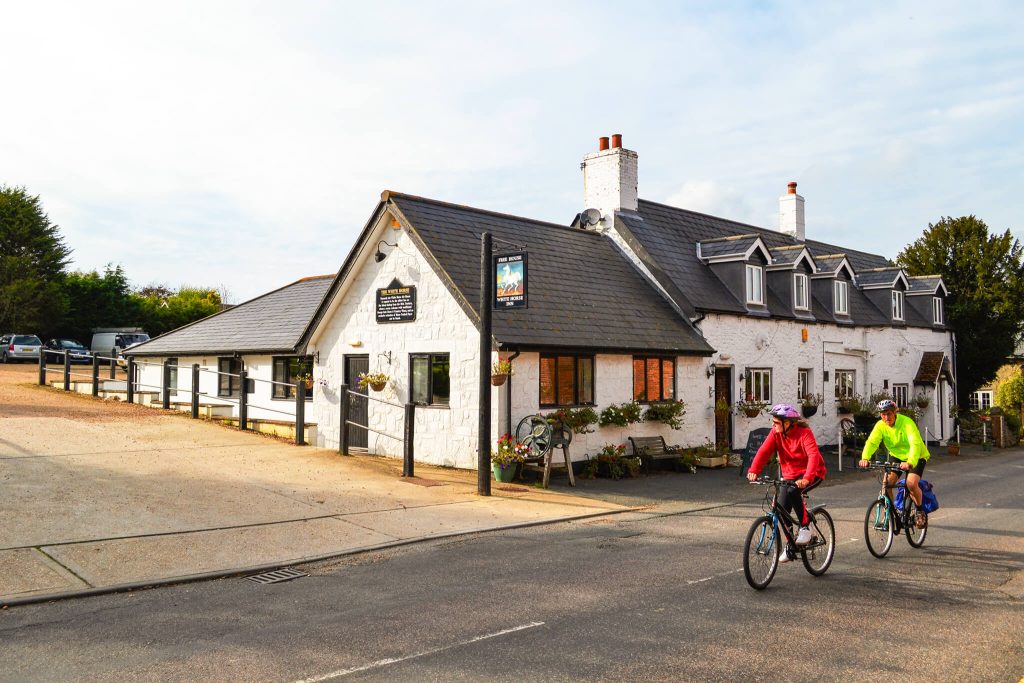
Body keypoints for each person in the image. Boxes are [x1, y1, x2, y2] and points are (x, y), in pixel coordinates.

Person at [747, 404, 828, 561]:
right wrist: (754, 470)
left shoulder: (804, 433)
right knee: (782, 510)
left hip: (813, 473)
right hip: (790, 476)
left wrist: (807, 478)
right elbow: (764, 451)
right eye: (773, 421)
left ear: (788, 423)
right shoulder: (776, 434)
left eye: (776, 422)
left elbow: (813, 456)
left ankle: (805, 527)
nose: (773, 425)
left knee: (793, 492)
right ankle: (791, 545)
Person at [858, 399, 931, 527]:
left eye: (889, 414)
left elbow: (915, 443)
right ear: (880, 415)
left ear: (895, 413)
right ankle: (891, 515)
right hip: (896, 456)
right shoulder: (880, 425)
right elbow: (872, 442)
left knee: (911, 484)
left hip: (916, 456)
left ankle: (920, 511)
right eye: (883, 414)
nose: (886, 417)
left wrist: (910, 462)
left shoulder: (907, 423)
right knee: (886, 483)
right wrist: (865, 458)